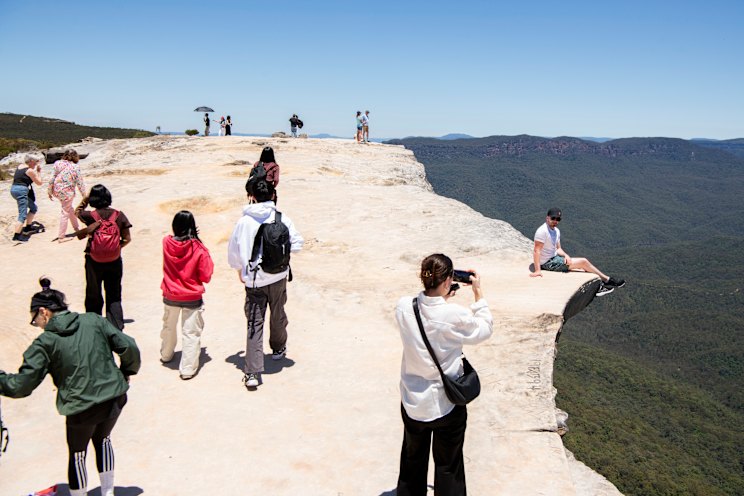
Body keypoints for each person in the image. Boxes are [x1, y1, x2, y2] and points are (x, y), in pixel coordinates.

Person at [0, 278, 141, 496]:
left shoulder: (45, 343)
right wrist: (126, 372)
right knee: (103, 439)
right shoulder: (93, 320)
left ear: (44, 312)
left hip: (81, 409)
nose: (37, 325)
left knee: (77, 453)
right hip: (115, 398)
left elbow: (22, 386)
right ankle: (108, 492)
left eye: (35, 320)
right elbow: (129, 346)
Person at [395, 254, 493, 495]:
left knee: (412, 461)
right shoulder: (454, 314)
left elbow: (427, 314)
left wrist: (441, 297)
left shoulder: (403, 306)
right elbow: (484, 330)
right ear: (449, 281)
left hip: (413, 402)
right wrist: (478, 293)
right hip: (446, 404)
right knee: (448, 466)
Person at [227, 179, 303, 388]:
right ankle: (278, 349)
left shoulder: (243, 222)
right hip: (278, 276)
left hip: (254, 280)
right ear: (273, 196)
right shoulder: (281, 218)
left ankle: (252, 372)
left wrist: (239, 270)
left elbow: (233, 252)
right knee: (278, 313)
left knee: (255, 321)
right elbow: (297, 244)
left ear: (252, 196)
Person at [160, 211, 214, 380]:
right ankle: (187, 369)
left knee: (168, 326)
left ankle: (166, 354)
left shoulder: (166, 242)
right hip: (191, 297)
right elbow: (206, 276)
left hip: (170, 293)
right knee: (190, 333)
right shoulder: (199, 248)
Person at [530, 207, 625, 296]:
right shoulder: (542, 231)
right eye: (553, 218)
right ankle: (607, 280)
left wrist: (566, 256)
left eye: (558, 219)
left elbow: (558, 248)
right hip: (547, 263)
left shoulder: (556, 231)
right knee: (583, 262)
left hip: (554, 258)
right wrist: (538, 270)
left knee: (582, 267)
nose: (555, 221)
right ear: (547, 218)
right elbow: (536, 250)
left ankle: (599, 286)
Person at [75, 184, 133, 330]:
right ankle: (116, 326)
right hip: (114, 260)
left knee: (93, 292)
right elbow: (127, 239)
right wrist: (117, 248)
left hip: (93, 260)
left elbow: (77, 212)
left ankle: (93, 324)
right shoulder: (119, 215)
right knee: (114, 294)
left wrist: (86, 198)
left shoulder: (90, 216)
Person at [48, 149, 86, 243]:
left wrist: (49, 190)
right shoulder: (75, 167)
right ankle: (61, 237)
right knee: (65, 212)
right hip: (67, 192)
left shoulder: (57, 163)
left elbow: (52, 177)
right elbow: (79, 182)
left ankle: (76, 228)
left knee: (69, 209)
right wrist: (84, 195)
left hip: (57, 190)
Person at [10, 154, 43, 243]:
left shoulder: (20, 166)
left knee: (33, 208)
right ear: (31, 161)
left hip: (14, 189)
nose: (35, 164)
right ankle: (16, 236)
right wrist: (39, 172)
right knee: (22, 214)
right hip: (21, 191)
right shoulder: (29, 171)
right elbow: (39, 183)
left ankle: (28, 227)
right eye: (35, 162)